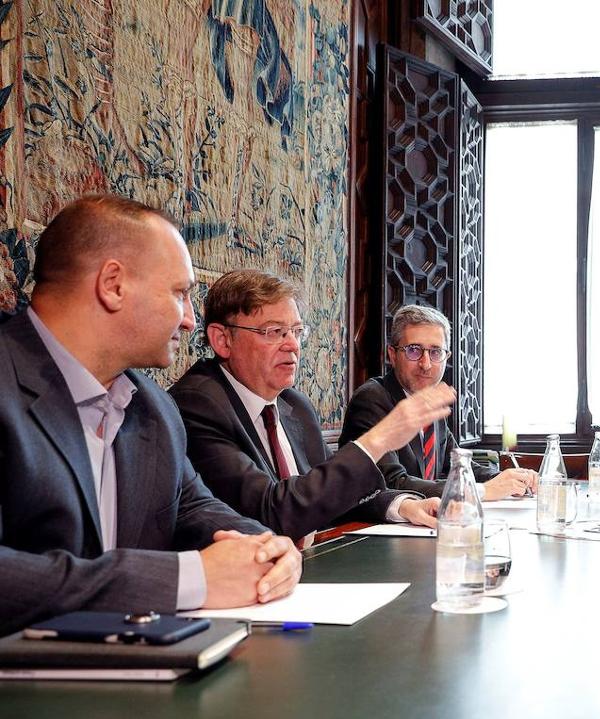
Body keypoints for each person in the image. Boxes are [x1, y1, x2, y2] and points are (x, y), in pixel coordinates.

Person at [0, 195, 301, 634]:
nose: (189, 320)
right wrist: (185, 580)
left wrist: (269, 549)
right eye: (180, 294)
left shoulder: (154, 407)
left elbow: (194, 506)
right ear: (113, 285)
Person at [169, 271, 455, 541]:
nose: (293, 345)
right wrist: (380, 438)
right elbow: (272, 512)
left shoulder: (294, 405)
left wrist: (402, 506)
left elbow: (330, 489)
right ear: (222, 339)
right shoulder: (198, 404)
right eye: (274, 331)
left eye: (296, 331)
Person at [340, 304, 537, 499]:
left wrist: (506, 479)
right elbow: (392, 483)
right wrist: (483, 491)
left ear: (446, 357)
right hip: (370, 526)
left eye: (435, 352)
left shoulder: (432, 400)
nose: (425, 364)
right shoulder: (372, 399)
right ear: (393, 355)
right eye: (413, 350)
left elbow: (458, 465)